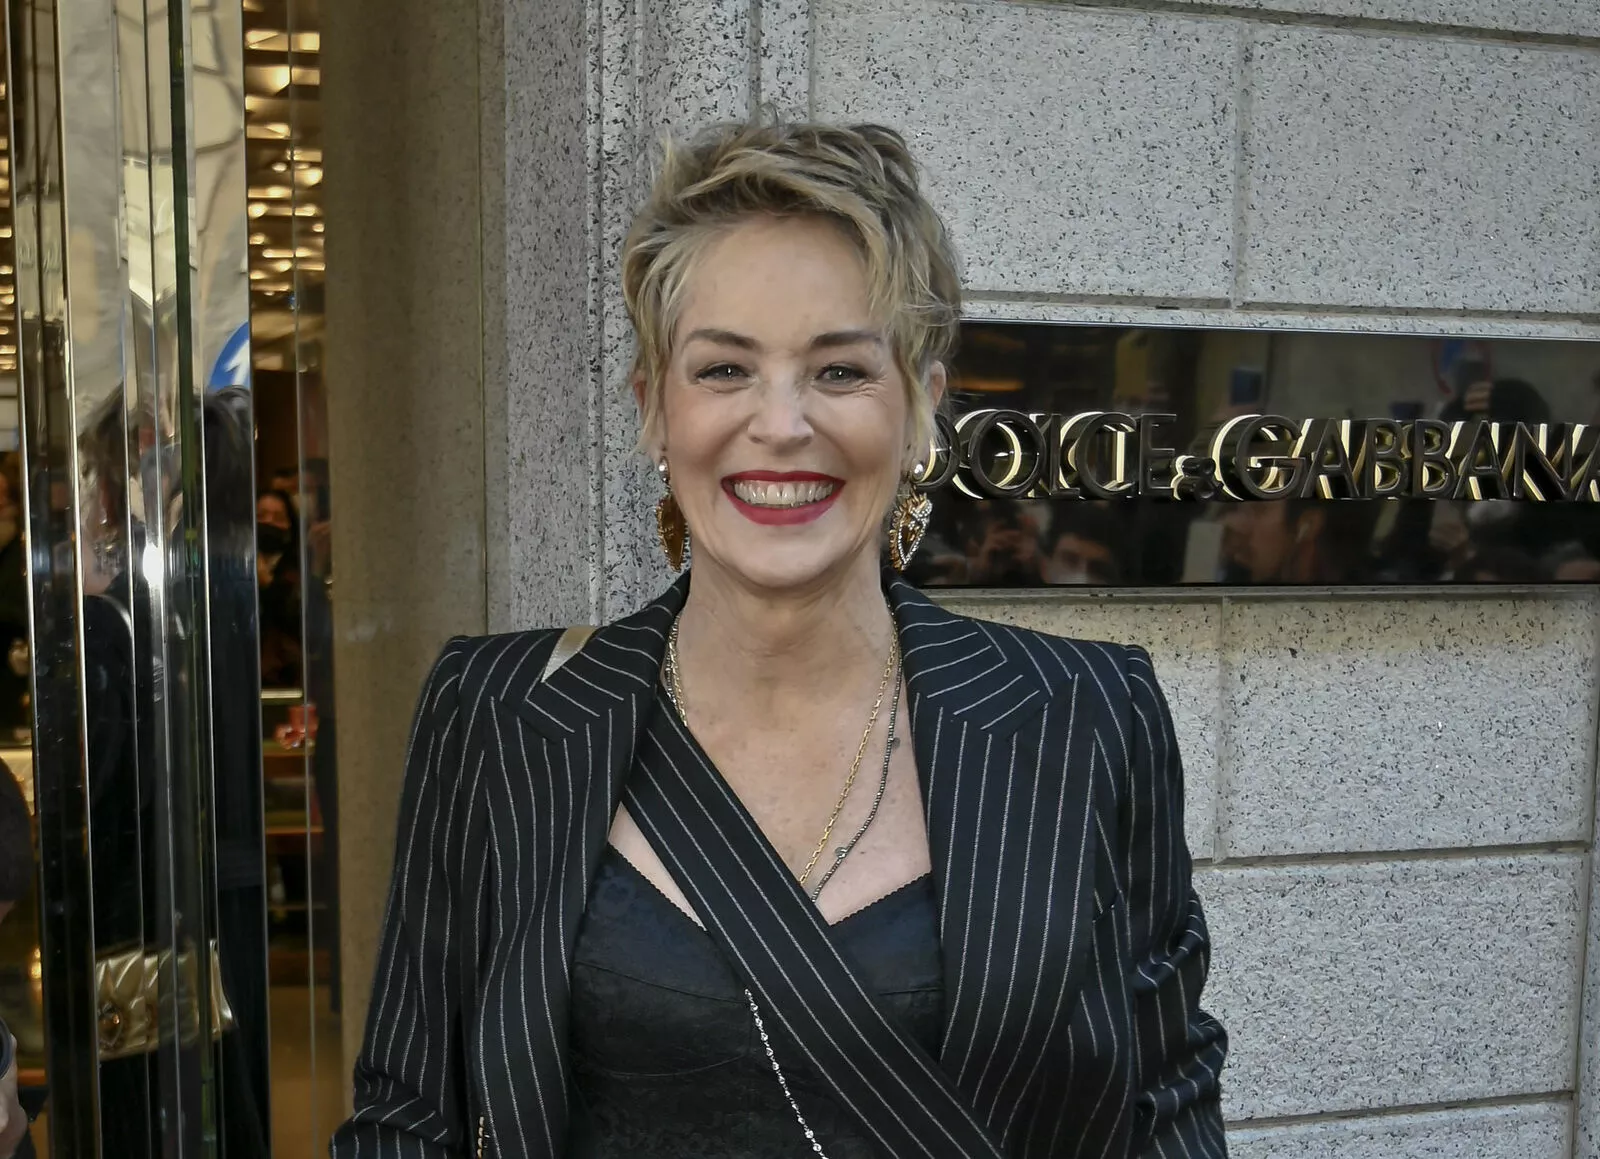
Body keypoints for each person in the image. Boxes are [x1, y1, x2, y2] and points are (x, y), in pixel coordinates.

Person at [332, 120, 1227, 1158]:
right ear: (654, 409)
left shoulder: (1087, 714)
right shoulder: (497, 711)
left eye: (839, 371)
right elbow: (407, 1116)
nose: (782, 424)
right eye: (724, 369)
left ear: (920, 410)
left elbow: (1165, 1102)